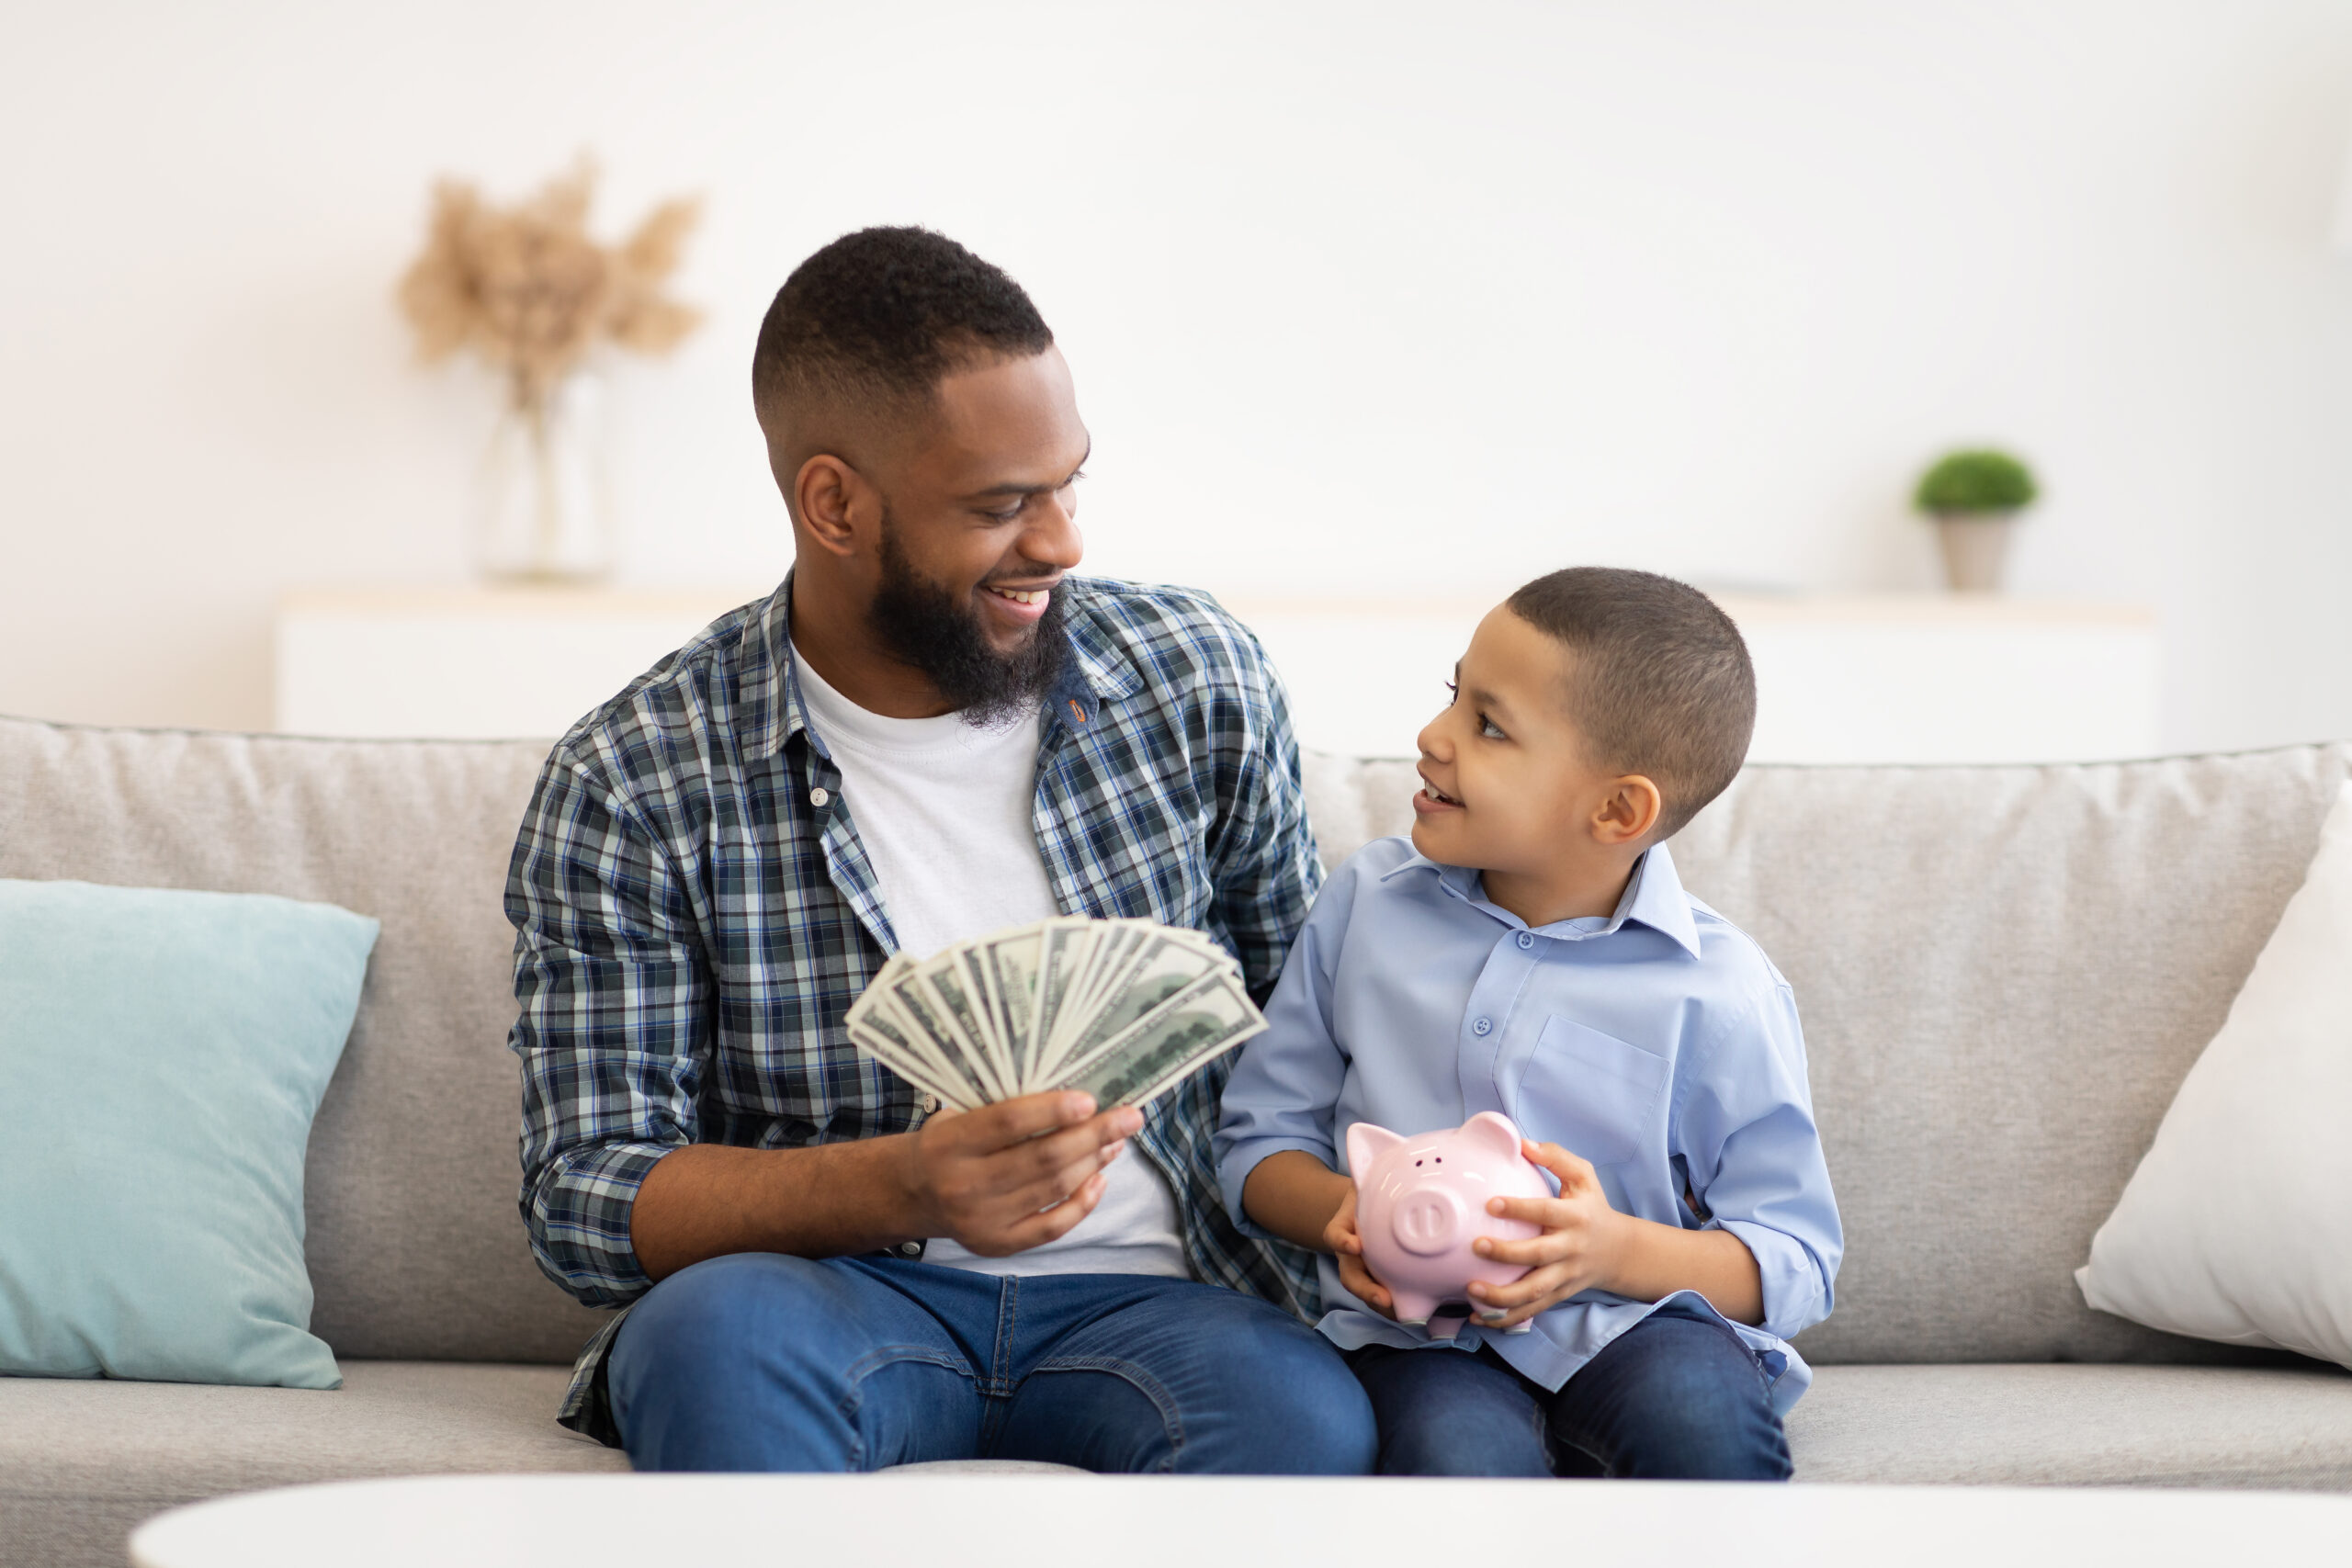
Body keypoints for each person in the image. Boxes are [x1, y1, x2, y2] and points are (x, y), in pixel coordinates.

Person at [504, 226, 1374, 1474]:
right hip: (832, 1297)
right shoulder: (633, 778)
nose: (1063, 541)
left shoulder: (1194, 677)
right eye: (1001, 504)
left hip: (1165, 1304)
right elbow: (585, 1196)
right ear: (835, 502)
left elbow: (1319, 1028)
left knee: (1305, 1412)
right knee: (713, 1342)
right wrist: (905, 1183)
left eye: (1069, 483)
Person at [1213, 567, 1842, 1479]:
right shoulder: (1366, 905)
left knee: (1700, 1424)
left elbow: (1792, 1258)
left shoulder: (1721, 991)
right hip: (1418, 1340)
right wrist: (1358, 1219)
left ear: (1617, 809)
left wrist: (1610, 1249)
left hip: (1635, 1323)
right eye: (1451, 697)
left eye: (1489, 725)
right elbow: (1256, 1146)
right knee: (1452, 1457)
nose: (1432, 739)